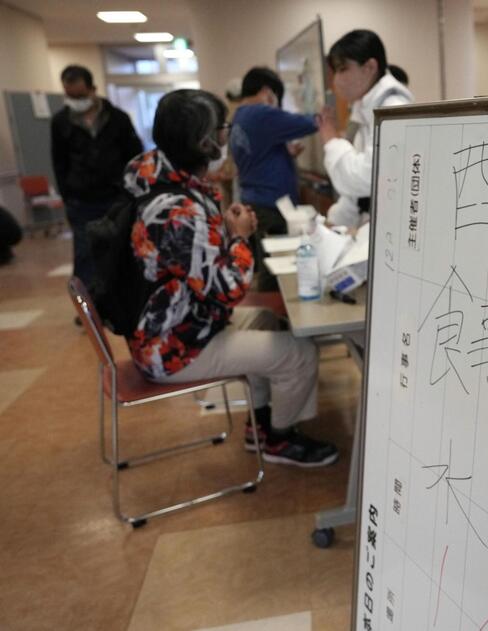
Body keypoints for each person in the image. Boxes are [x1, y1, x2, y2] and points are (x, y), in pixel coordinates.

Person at [125, 89, 337, 468]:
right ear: (203, 141)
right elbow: (228, 290)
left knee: (269, 322)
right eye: (222, 128)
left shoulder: (164, 182)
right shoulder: (177, 208)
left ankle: (261, 426)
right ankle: (279, 438)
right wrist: (239, 238)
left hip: (178, 324)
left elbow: (193, 260)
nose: (228, 136)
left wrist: (222, 230)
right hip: (174, 347)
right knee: (300, 353)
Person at [51, 65, 143, 293]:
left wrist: (131, 190)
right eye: (70, 96)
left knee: (122, 248)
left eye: (80, 95)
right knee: (85, 254)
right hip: (81, 200)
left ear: (93, 89)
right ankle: (89, 307)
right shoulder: (60, 122)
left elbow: (134, 155)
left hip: (115, 196)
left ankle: (123, 301)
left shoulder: (117, 118)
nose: (76, 100)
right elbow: (59, 162)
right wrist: (68, 195)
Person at [229, 67, 318, 290]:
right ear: (268, 92)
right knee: (278, 273)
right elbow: (309, 123)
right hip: (272, 207)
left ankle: (274, 318)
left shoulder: (239, 117)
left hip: (256, 201)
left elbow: (257, 154)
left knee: (268, 267)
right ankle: (277, 321)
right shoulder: (261, 113)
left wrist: (285, 154)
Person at [318, 30, 414, 228]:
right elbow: (357, 197)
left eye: (343, 69)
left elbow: (364, 178)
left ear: (370, 67)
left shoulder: (393, 108)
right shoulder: (368, 109)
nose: (336, 80)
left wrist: (331, 140)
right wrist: (333, 223)